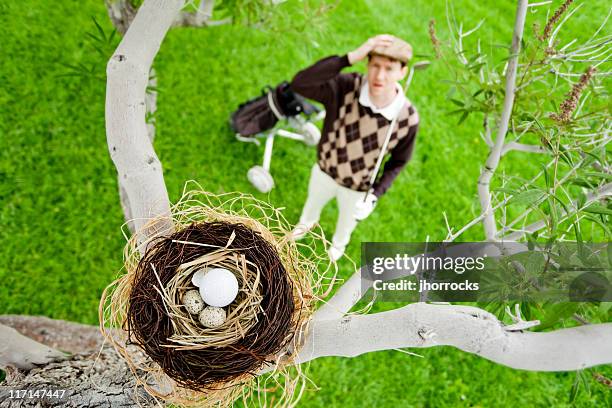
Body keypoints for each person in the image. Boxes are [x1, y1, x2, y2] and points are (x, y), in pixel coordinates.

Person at [290, 34, 420, 261]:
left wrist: (375, 195)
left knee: (346, 223)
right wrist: (349, 58)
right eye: (375, 65)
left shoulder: (407, 118)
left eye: (389, 68)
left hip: (358, 188)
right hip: (325, 171)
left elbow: (398, 162)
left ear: (403, 72)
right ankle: (305, 225)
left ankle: (339, 244)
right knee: (312, 204)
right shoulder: (346, 87)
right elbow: (301, 82)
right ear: (366, 64)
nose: (379, 76)